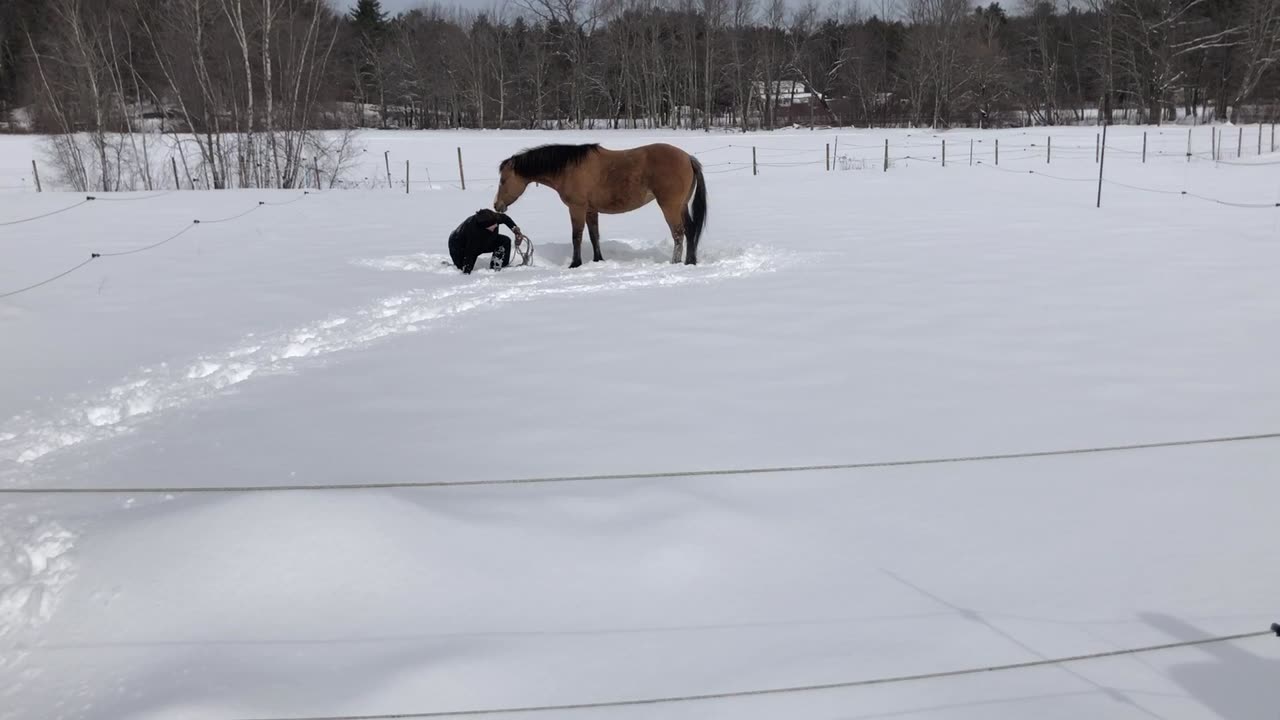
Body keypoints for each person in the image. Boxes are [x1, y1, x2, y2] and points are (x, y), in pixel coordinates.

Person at [448, 208, 527, 274]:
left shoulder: (494, 217)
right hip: (459, 245)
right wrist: (466, 272)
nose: (494, 227)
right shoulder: (473, 232)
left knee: (504, 241)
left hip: (485, 239)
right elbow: (470, 253)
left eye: (496, 225)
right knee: (462, 269)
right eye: (491, 227)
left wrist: (516, 231)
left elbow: (505, 219)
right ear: (483, 227)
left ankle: (498, 267)